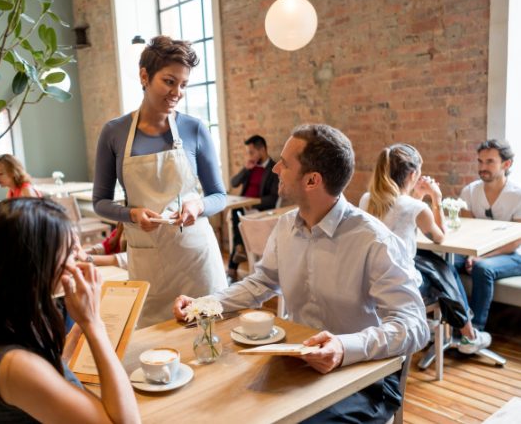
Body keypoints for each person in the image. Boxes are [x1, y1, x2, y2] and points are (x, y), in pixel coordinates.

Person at [174, 124, 429, 424]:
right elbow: (261, 283)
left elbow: (414, 326)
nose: (276, 169)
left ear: (312, 180)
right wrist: (204, 305)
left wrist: (344, 348)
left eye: (285, 163)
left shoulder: (374, 240)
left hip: (362, 377)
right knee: (215, 403)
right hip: (296, 364)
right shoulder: (285, 227)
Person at [0, 198, 140, 424]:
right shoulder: (14, 365)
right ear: (34, 264)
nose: (76, 262)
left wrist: (76, 334)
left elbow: (47, 368)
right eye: (69, 252)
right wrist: (93, 324)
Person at [92, 35, 227, 328]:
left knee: (208, 344)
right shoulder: (114, 133)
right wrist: (131, 214)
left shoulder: (194, 129)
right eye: (169, 81)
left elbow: (219, 195)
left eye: (183, 84)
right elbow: (99, 202)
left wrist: (198, 206)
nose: (177, 92)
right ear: (145, 76)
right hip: (147, 263)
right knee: (155, 350)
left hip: (197, 261)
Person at [359, 144, 490, 354]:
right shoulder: (416, 207)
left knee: (437, 265)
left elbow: (400, 220)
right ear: (413, 175)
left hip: (369, 279)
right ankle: (468, 335)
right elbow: (439, 237)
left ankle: (448, 331)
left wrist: (416, 197)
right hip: (401, 284)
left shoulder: (367, 199)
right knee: (445, 270)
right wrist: (435, 197)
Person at [456, 139, 521, 345]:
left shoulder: (517, 195)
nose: (482, 167)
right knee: (443, 262)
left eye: (490, 162)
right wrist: (469, 255)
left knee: (482, 268)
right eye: (480, 161)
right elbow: (468, 232)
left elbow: (515, 242)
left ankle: (474, 334)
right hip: (476, 251)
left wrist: (480, 257)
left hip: (513, 255)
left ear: (506, 164)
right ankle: (456, 321)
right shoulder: (470, 191)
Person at [227, 135, 279, 282]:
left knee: (238, 212)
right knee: (236, 210)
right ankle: (239, 248)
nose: (249, 156)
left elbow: (273, 198)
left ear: (262, 150)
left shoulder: (273, 169)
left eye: (251, 152)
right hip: (242, 208)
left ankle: (234, 265)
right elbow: (234, 183)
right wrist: (245, 168)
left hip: (259, 210)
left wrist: (253, 204)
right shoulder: (250, 166)